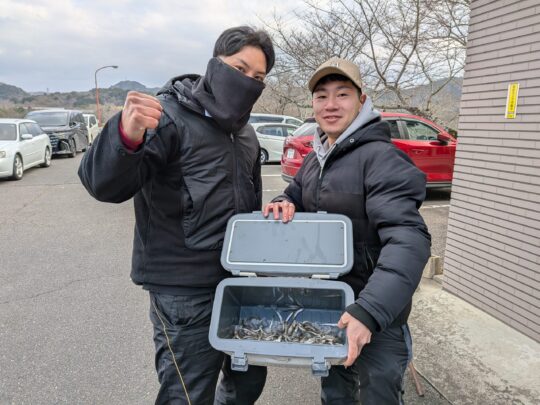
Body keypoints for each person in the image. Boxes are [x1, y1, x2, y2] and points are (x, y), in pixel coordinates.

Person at [78, 26, 273, 405]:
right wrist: (126, 135)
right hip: (183, 292)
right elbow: (103, 185)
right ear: (215, 64)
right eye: (239, 69)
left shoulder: (246, 134)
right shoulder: (168, 117)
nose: (248, 82)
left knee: (248, 379)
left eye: (258, 77)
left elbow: (250, 202)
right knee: (187, 394)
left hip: (238, 283)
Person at [264, 57, 431, 404]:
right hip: (331, 306)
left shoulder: (382, 159)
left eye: (342, 94)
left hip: (377, 314)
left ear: (361, 100)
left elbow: (409, 240)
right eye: (321, 96)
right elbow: (297, 192)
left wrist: (369, 312)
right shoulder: (316, 158)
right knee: (336, 392)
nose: (331, 105)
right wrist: (284, 200)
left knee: (377, 394)